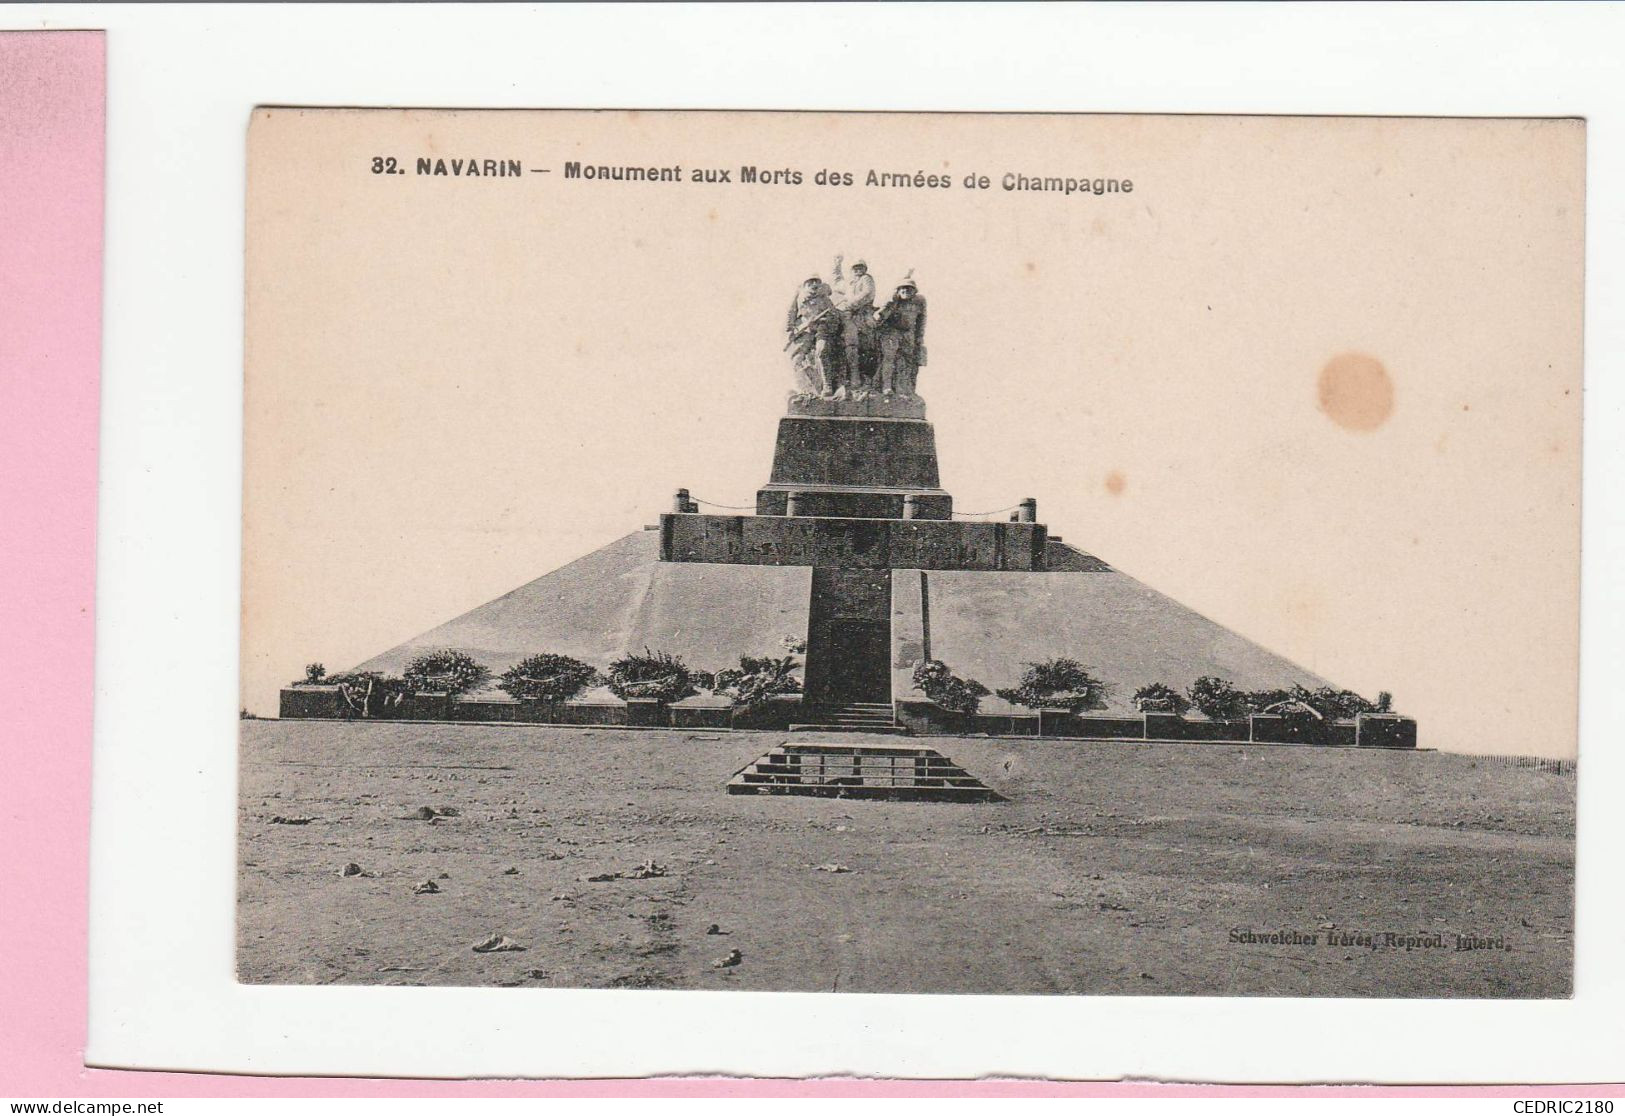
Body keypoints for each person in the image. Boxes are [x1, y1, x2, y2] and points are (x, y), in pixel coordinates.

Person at [785, 275, 842, 396]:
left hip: (822, 330)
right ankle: (805, 389)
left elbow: (835, 317)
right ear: (805, 284)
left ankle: (827, 385)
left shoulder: (824, 299)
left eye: (816, 282)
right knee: (796, 359)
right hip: (805, 331)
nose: (814, 284)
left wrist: (824, 321)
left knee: (821, 351)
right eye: (810, 282)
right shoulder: (799, 297)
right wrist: (791, 329)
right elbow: (791, 313)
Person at [873, 273, 927, 396]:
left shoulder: (919, 302)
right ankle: (886, 386)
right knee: (889, 357)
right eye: (902, 288)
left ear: (914, 291)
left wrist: (920, 337)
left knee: (907, 359)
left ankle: (902, 387)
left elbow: (922, 320)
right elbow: (881, 314)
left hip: (908, 333)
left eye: (908, 288)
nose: (905, 290)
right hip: (891, 331)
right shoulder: (893, 300)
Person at [830, 254, 877, 389]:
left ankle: (857, 376)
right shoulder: (850, 284)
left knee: (857, 343)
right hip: (848, 316)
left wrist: (849, 305)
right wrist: (837, 264)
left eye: (860, 267)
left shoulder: (866, 279)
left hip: (862, 315)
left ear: (865, 269)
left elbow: (868, 294)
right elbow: (837, 282)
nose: (857, 270)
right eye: (855, 268)